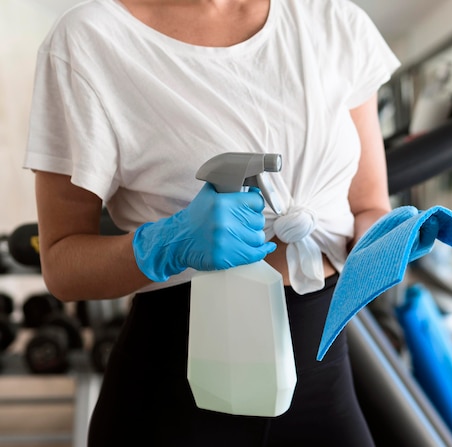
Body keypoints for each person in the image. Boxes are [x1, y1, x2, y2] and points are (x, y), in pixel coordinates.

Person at [24, 0, 400, 445]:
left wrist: (386, 242)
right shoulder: (90, 39)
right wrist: (165, 243)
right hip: (175, 398)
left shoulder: (334, 21)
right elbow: (63, 267)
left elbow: (369, 206)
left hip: (323, 383)